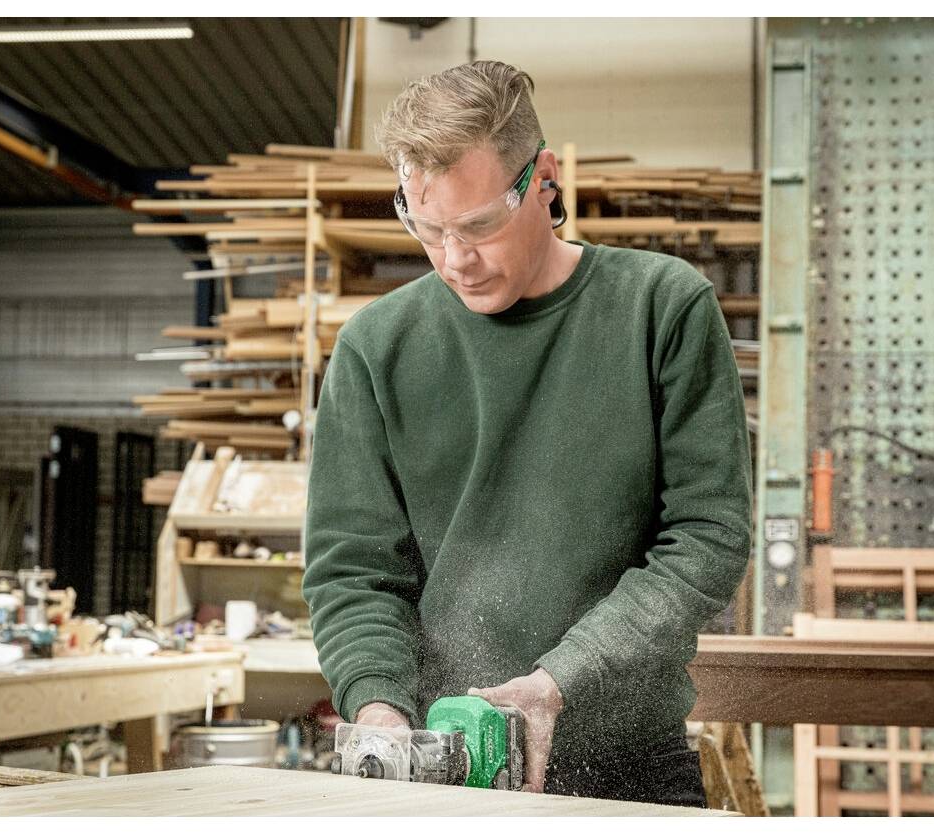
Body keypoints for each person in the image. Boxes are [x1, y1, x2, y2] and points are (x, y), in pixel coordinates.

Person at [302, 60, 751, 808]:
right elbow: (353, 571)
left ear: (543, 178)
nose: (455, 260)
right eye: (427, 228)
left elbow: (708, 535)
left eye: (478, 225)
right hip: (444, 770)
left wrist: (561, 680)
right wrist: (379, 708)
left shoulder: (660, 307)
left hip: (629, 765)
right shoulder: (374, 347)